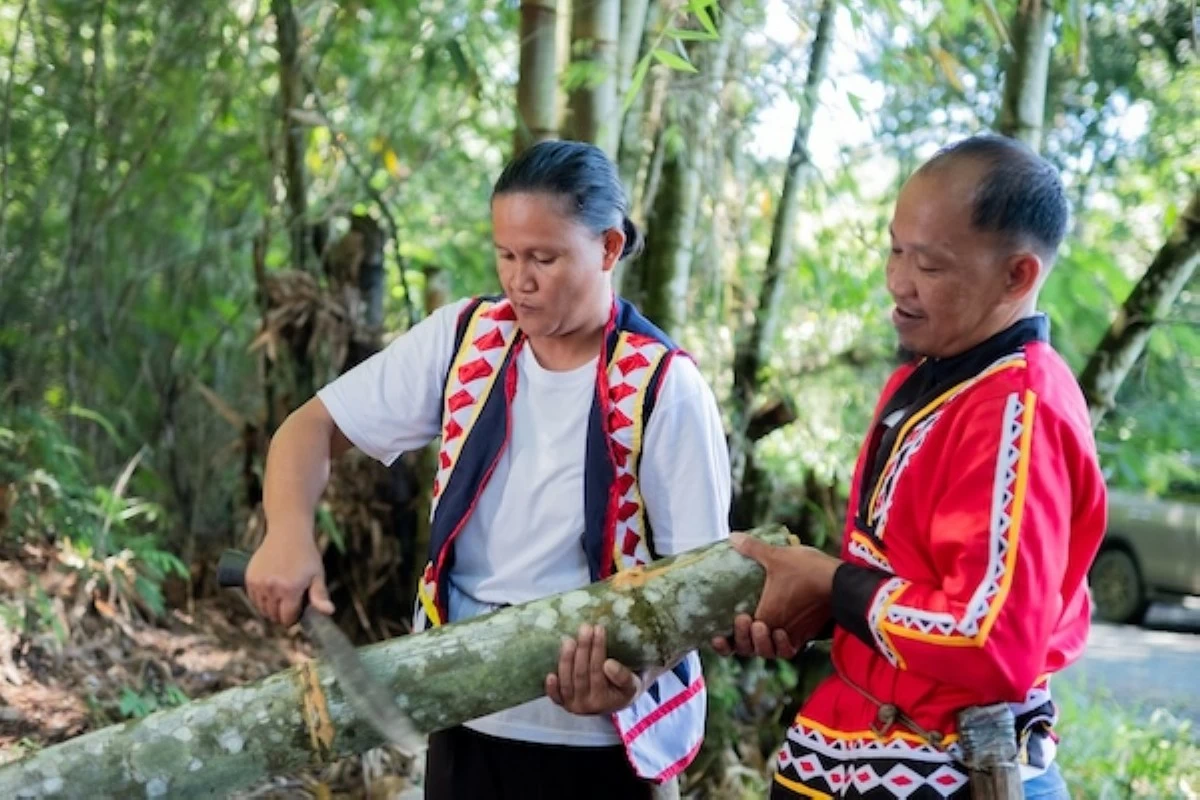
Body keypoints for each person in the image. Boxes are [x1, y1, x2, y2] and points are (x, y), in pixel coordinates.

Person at [244, 139, 732, 799]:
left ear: (609, 248)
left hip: (605, 746)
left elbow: (701, 586)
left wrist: (637, 669)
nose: (518, 280)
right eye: (506, 254)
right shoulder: (467, 340)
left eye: (544, 258)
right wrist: (288, 531)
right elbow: (310, 428)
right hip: (463, 712)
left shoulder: (662, 387)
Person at [716, 135, 1107, 800]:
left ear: (1017, 276)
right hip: (848, 743)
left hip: (953, 765)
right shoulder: (922, 381)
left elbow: (990, 644)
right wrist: (813, 609)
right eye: (896, 249)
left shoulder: (1018, 407)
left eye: (928, 264)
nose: (898, 282)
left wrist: (829, 582)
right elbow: (906, 582)